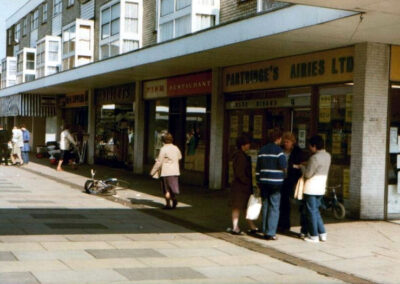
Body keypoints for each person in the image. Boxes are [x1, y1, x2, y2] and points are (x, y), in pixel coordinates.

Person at [296, 135, 331, 243]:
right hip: (321, 187)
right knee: (316, 211)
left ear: (314, 146)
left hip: (311, 188)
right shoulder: (327, 156)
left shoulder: (314, 158)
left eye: (310, 146)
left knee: (311, 212)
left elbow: (307, 174)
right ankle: (322, 233)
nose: (310, 148)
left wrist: (301, 167)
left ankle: (314, 235)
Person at [256, 128, 287, 240]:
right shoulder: (279, 151)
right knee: (274, 206)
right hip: (276, 183)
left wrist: (258, 181)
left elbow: (258, 168)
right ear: (278, 139)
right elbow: (283, 165)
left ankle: (264, 229)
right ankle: (271, 232)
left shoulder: (262, 150)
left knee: (265, 205)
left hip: (263, 181)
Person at [229, 135, 258, 235]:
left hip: (240, 186)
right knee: (239, 207)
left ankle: (248, 226)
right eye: (247, 144)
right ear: (243, 145)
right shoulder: (241, 156)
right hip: (241, 187)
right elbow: (240, 172)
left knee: (243, 206)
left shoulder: (239, 155)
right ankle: (236, 227)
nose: (249, 145)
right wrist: (246, 181)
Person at [278, 132, 305, 233]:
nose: (286, 144)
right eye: (284, 142)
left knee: (286, 202)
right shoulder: (280, 150)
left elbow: (300, 164)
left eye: (288, 142)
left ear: (292, 142)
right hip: (280, 178)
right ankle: (281, 224)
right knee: (281, 202)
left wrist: (294, 167)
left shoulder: (297, 151)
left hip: (291, 179)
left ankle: (285, 224)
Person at [151, 133, 182, 209]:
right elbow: (180, 157)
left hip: (166, 172)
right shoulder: (175, 148)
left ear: (163, 141)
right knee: (173, 187)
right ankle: (174, 199)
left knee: (166, 189)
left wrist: (153, 171)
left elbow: (159, 161)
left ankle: (168, 204)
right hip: (175, 171)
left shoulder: (163, 149)